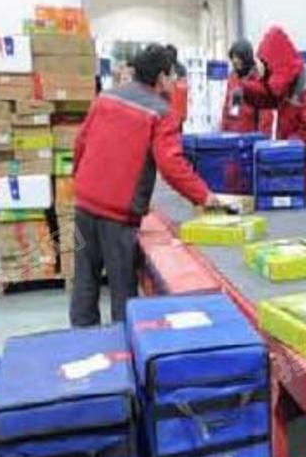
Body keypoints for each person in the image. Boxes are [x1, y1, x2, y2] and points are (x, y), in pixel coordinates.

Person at [70, 44, 224, 327]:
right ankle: (123, 345)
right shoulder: (161, 112)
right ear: (162, 77)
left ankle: (82, 341)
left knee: (84, 280)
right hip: (117, 215)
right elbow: (171, 165)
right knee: (122, 289)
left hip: (84, 205)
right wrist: (204, 196)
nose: (175, 81)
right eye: (172, 75)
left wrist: (80, 182)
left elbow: (80, 143)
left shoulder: (105, 98)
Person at [240, 26, 306, 196]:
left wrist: (281, 150)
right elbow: (268, 96)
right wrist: (246, 87)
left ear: (277, 62)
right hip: (291, 167)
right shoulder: (288, 81)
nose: (266, 71)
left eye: (267, 65)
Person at [221, 38, 274, 135]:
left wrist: (261, 140)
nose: (235, 61)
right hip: (231, 136)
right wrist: (223, 133)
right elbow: (226, 109)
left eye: (238, 57)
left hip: (249, 138)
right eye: (233, 57)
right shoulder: (233, 78)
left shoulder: (259, 81)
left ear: (246, 58)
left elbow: (265, 117)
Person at [165, 44, 188, 132]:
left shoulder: (180, 69)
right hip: (169, 104)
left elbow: (183, 89)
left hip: (177, 105)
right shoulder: (164, 67)